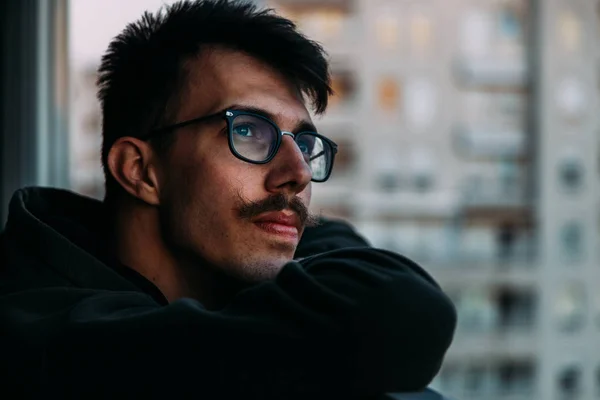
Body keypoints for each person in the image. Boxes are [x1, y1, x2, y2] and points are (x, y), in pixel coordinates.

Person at [0, 1, 456, 398]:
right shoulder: (49, 342)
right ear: (140, 171)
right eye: (248, 132)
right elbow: (396, 314)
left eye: (303, 143)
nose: (297, 174)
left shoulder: (215, 283)